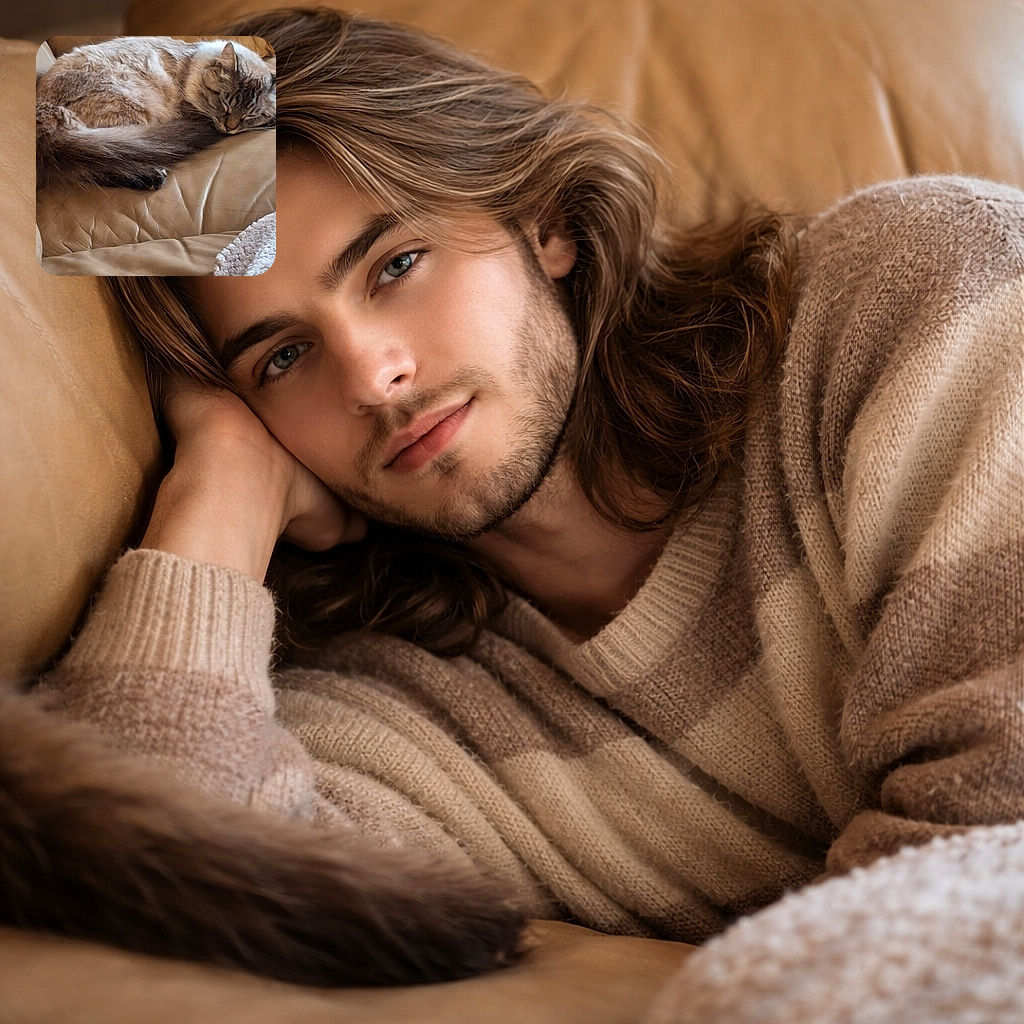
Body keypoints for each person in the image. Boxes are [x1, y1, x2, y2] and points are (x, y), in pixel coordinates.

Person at [40, 6, 1024, 1021]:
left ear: (545, 220)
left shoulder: (918, 290)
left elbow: (999, 824)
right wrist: (222, 486)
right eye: (282, 358)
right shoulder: (402, 706)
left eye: (395, 265)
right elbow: (144, 898)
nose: (374, 376)